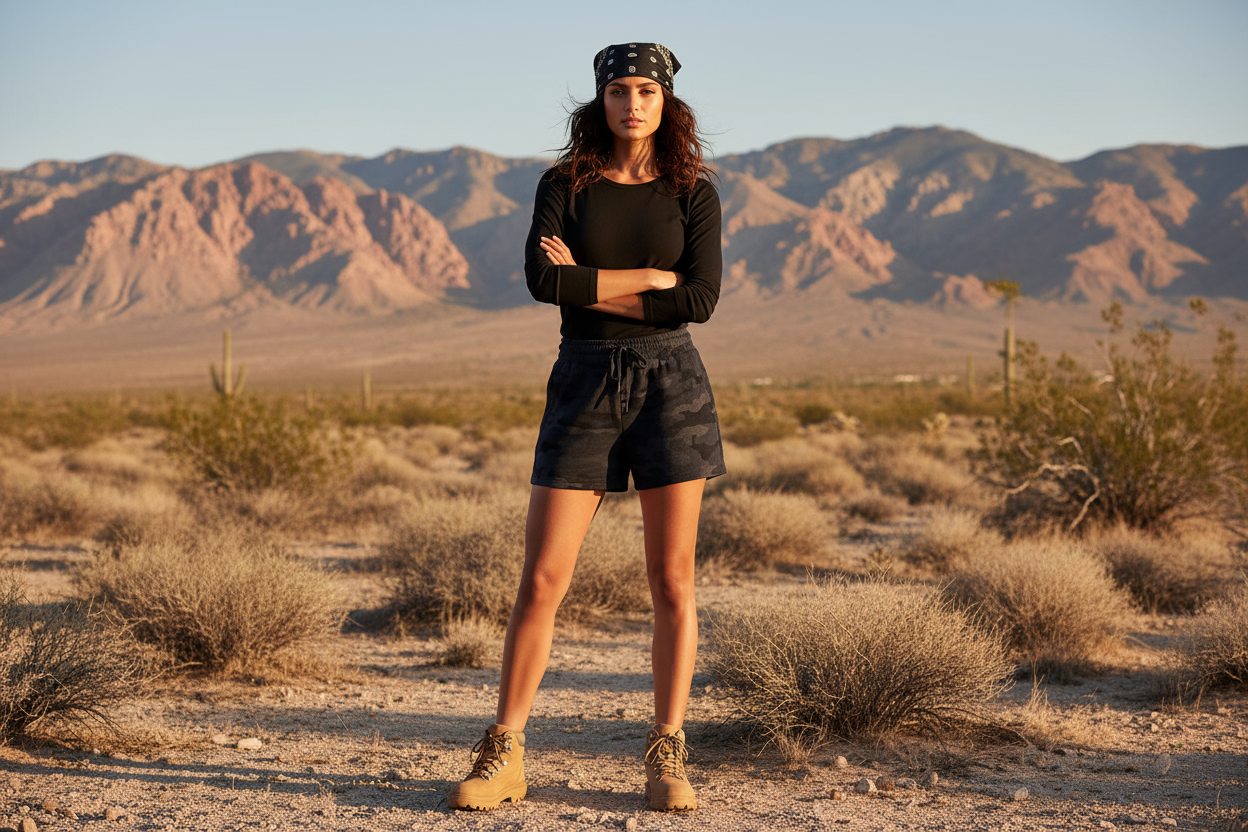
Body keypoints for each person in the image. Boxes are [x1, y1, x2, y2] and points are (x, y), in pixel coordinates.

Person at [448, 42, 724, 814]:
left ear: (666, 99)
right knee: (542, 578)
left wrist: (590, 285)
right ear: (599, 101)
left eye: (645, 90)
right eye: (618, 91)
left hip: (673, 383)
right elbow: (545, 281)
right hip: (583, 382)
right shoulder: (563, 184)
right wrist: (645, 279)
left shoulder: (692, 192)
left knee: (673, 581)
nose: (632, 103)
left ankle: (667, 753)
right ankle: (504, 752)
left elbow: (698, 300)